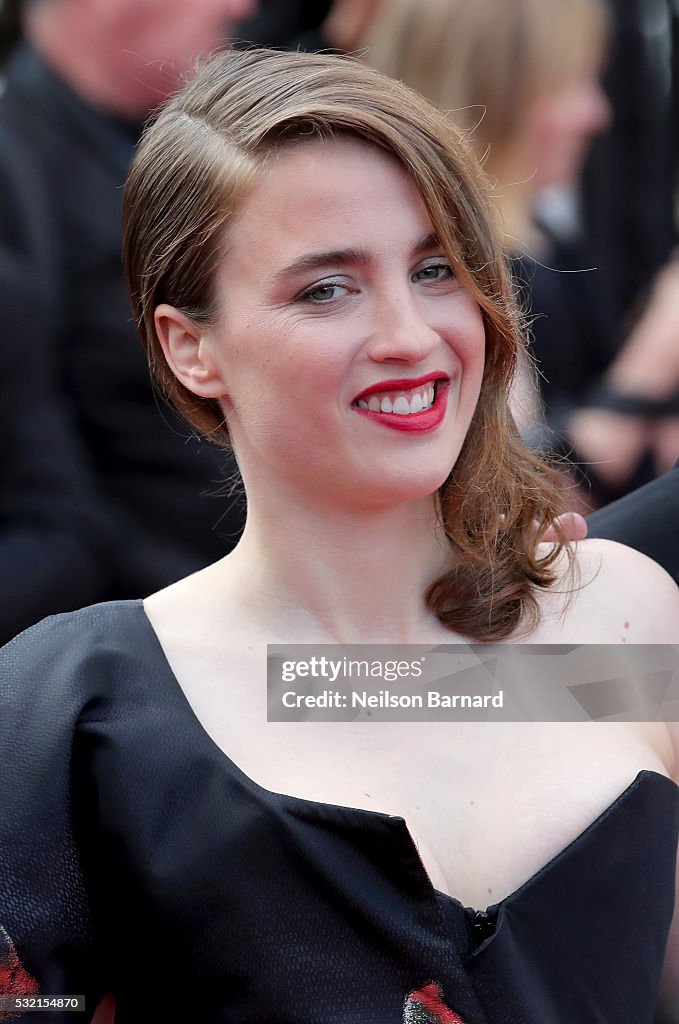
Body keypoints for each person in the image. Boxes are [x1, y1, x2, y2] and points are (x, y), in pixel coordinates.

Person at [1, 48, 678, 1023]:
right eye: (326, 289)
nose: (409, 332)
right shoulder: (81, 722)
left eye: (437, 268)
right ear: (191, 347)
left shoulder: (609, 629)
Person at [0, 0, 254, 643]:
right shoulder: (19, 176)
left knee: (528, 689)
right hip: (168, 639)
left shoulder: (188, 142)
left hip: (289, 607)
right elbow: (58, 514)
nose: (241, 5)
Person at [361, 0, 679, 507]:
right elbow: (513, 510)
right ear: (499, 96)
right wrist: (654, 360)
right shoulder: (451, 277)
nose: (597, 113)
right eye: (571, 82)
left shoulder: (544, 241)